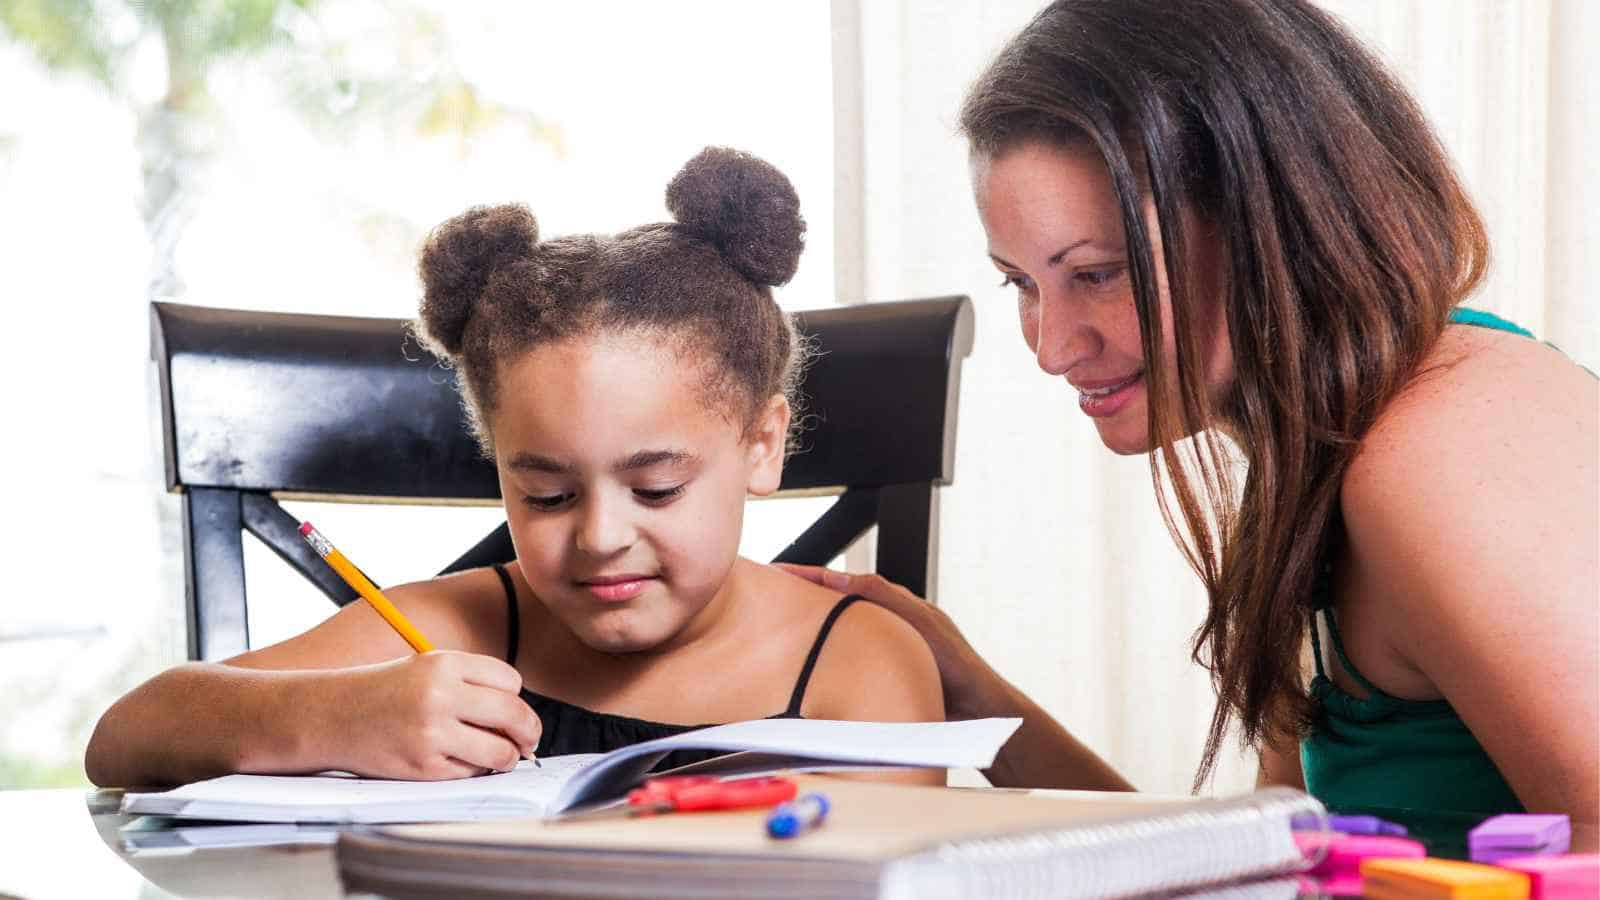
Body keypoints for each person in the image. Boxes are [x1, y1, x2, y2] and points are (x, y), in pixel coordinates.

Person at [784, 0, 1597, 857]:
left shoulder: (1435, 451)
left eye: (1096, 274)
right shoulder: (1320, 467)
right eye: (1020, 285)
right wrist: (974, 693)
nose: (1052, 348)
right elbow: (1259, 869)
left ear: (1272, 222)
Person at [86, 147, 943, 788]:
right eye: (547, 493)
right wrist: (335, 715)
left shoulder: (857, 665)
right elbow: (125, 737)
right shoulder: (464, 626)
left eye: (656, 488)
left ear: (761, 445)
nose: (600, 536)